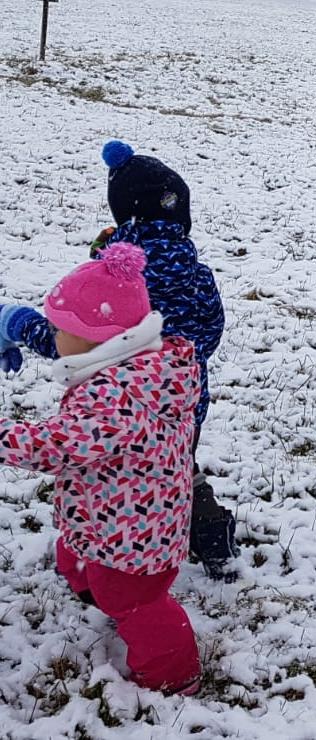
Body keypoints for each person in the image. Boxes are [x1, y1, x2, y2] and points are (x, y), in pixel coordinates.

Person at [0, 140, 237, 579]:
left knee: (123, 480)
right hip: (180, 400)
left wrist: (18, 324)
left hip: (114, 407)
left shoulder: (113, 281)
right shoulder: (198, 274)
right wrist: (182, 362)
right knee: (176, 467)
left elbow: (70, 342)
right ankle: (209, 532)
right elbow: (209, 331)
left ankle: (119, 561)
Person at [0, 243, 202, 694]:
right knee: (81, 557)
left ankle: (174, 671)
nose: (52, 340)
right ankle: (96, 590)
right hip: (123, 512)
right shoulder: (144, 368)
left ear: (96, 337)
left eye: (59, 331)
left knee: (134, 600)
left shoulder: (115, 393)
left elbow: (58, 445)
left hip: (134, 533)